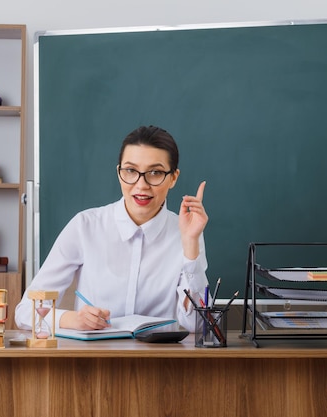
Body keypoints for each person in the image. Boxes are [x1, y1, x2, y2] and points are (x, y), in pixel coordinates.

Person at [15, 125, 209, 332]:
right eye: (131, 171)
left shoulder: (186, 230)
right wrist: (72, 319)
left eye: (155, 172)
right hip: (96, 359)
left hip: (159, 360)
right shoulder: (85, 226)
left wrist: (190, 246)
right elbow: (26, 311)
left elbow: (198, 325)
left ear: (173, 178)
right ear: (119, 173)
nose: (141, 185)